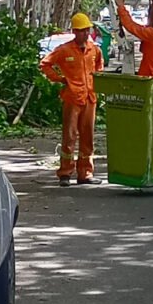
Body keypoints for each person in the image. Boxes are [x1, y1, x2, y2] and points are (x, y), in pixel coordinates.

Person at [41, 13, 103, 186]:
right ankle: (65, 173)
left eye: (87, 30)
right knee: (69, 136)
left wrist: (95, 81)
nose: (85, 33)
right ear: (75, 31)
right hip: (72, 98)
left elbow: (99, 66)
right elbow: (45, 64)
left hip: (90, 98)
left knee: (88, 137)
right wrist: (60, 79)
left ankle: (85, 173)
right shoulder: (64, 50)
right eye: (82, 30)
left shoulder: (94, 49)